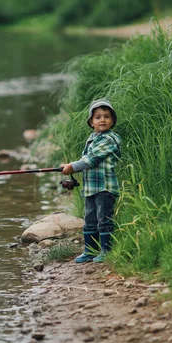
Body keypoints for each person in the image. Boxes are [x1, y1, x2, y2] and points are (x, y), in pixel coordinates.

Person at [61, 99, 121, 263]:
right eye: (98, 117)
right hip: (91, 189)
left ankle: (106, 251)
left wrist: (72, 167)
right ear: (91, 122)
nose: (102, 120)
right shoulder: (92, 139)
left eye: (107, 116)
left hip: (105, 188)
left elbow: (91, 160)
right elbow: (85, 159)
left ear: (112, 121)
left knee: (104, 220)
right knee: (90, 220)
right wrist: (70, 166)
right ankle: (90, 250)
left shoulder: (110, 139)